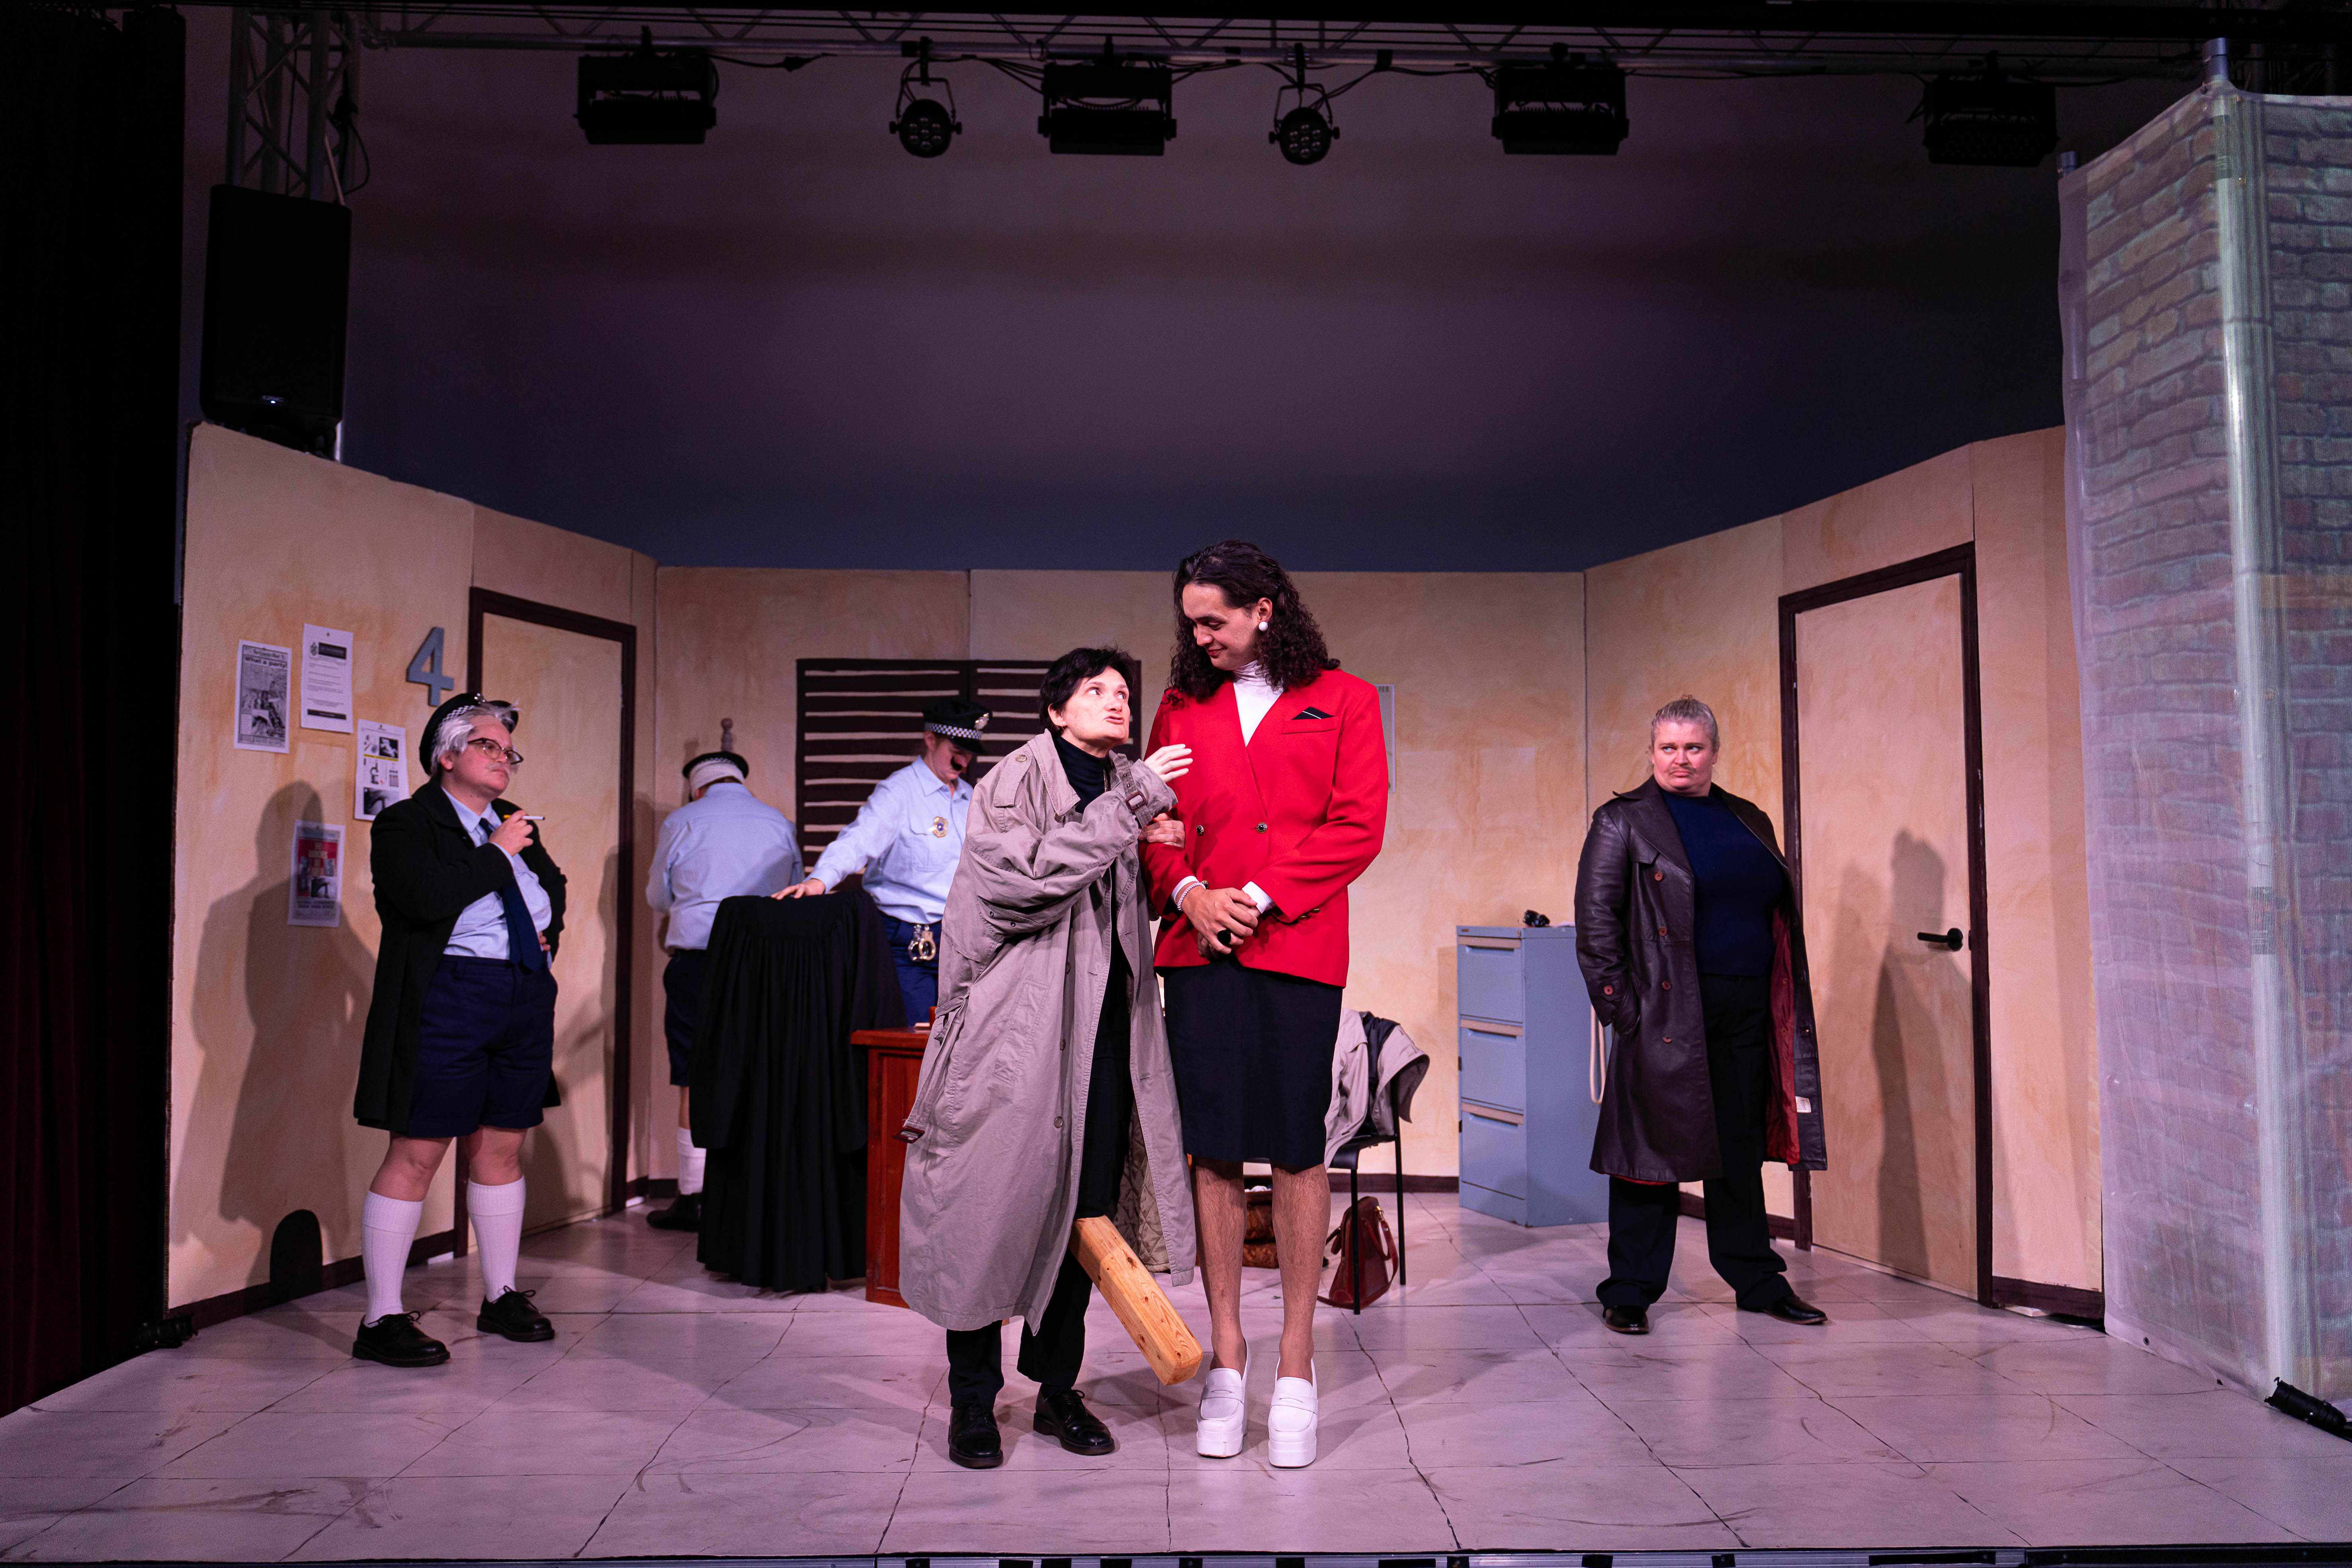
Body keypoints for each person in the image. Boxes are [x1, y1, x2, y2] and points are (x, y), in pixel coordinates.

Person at [896, 648, 1199, 1470]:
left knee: (1082, 1215)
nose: (1117, 701)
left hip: (1105, 1037)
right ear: (1057, 711)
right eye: (1096, 691)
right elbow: (1022, 882)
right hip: (1013, 1040)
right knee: (984, 1211)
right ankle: (972, 1399)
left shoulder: (1128, 782)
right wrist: (1135, 807)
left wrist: (1163, 848)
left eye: (1123, 692)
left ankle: (1057, 1388)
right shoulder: (1014, 783)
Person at [1141, 540, 1388, 1468]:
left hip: (1296, 946)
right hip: (1198, 945)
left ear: (1263, 610)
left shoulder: (1344, 699)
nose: (1199, 636)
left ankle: (1294, 1361)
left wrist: (1259, 896)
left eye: (1214, 619)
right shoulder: (1178, 705)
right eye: (1191, 622)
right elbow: (1151, 827)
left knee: (1294, 1145)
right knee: (1212, 1146)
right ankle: (1226, 1358)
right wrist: (1188, 892)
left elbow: (1357, 825)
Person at [1573, 695, 1830, 1335]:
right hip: (1661, 1013)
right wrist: (1622, 1012)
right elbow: (1596, 924)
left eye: (1693, 747)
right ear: (1651, 751)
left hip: (1746, 1008)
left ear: (1713, 751)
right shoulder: (1621, 822)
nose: (1680, 759)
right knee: (1649, 1153)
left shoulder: (1748, 819)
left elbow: (1772, 911)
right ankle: (1630, 1289)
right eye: (1668, 748)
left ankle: (1756, 1280)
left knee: (1738, 1147)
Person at [350, 693, 567, 1367]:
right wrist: (497, 853)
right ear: (446, 756)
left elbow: (552, 887)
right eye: (488, 746)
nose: (504, 758)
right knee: (419, 1149)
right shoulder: (406, 823)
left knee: (502, 1145)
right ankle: (381, 1316)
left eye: (509, 751)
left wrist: (546, 938)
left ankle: (500, 1294)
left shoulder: (511, 821)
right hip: (448, 994)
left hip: (522, 992)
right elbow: (423, 899)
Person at [642, 744, 804, 1231]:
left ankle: (693, 1197)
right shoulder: (778, 821)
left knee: (694, 1075)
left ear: (697, 788)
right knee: (759, 1071)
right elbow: (796, 891)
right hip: (762, 964)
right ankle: (753, 1195)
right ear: (739, 781)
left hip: (698, 962)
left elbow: (657, 896)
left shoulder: (682, 820)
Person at [778, 696, 990, 1024]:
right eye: (956, 749)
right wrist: (819, 880)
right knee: (916, 1038)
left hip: (959, 946)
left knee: (960, 1040)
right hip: (907, 944)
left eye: (969, 752)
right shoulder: (899, 792)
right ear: (930, 739)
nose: (963, 760)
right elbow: (858, 840)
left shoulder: (970, 798)